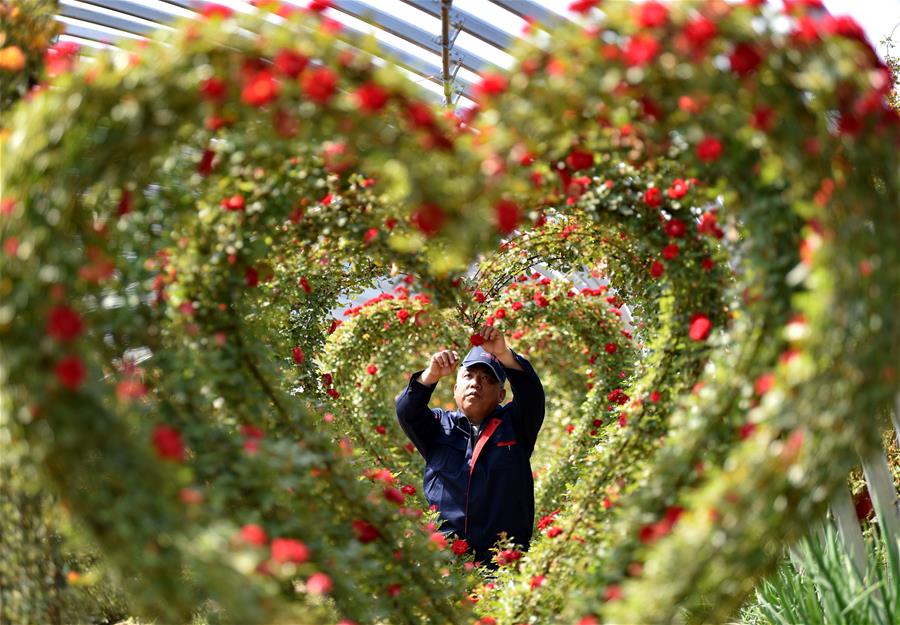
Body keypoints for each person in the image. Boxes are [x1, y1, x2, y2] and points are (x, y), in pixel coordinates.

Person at [395, 326, 545, 566]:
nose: (476, 383)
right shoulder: (438, 427)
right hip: (448, 564)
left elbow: (531, 395)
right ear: (455, 390)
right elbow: (406, 411)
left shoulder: (515, 425)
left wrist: (504, 354)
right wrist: (430, 375)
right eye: (469, 376)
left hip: (504, 564)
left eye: (487, 379)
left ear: (500, 394)